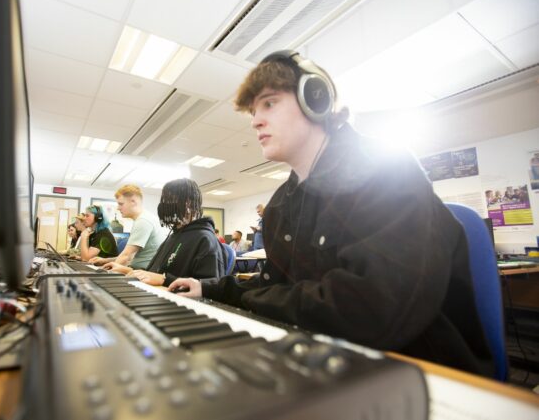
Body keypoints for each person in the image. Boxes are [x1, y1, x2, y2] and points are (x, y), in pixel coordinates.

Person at [168, 50, 494, 377]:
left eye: (269, 103)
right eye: (253, 111)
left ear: (316, 98)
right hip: (329, 354)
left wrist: (263, 300)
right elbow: (271, 288)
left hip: (422, 371)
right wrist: (207, 288)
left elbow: (370, 310)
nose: (255, 120)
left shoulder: (385, 169)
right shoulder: (283, 202)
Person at [103, 178, 225, 287]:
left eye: (169, 200)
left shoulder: (205, 240)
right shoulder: (174, 235)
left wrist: (165, 280)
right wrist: (125, 270)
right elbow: (153, 274)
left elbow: (209, 289)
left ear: (187, 203)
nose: (163, 205)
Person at [90, 184, 163, 270]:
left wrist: (102, 272)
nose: (118, 208)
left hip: (142, 273)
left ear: (133, 202)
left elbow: (126, 256)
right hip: (138, 270)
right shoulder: (145, 218)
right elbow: (131, 257)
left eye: (121, 204)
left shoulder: (143, 221)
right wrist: (105, 261)